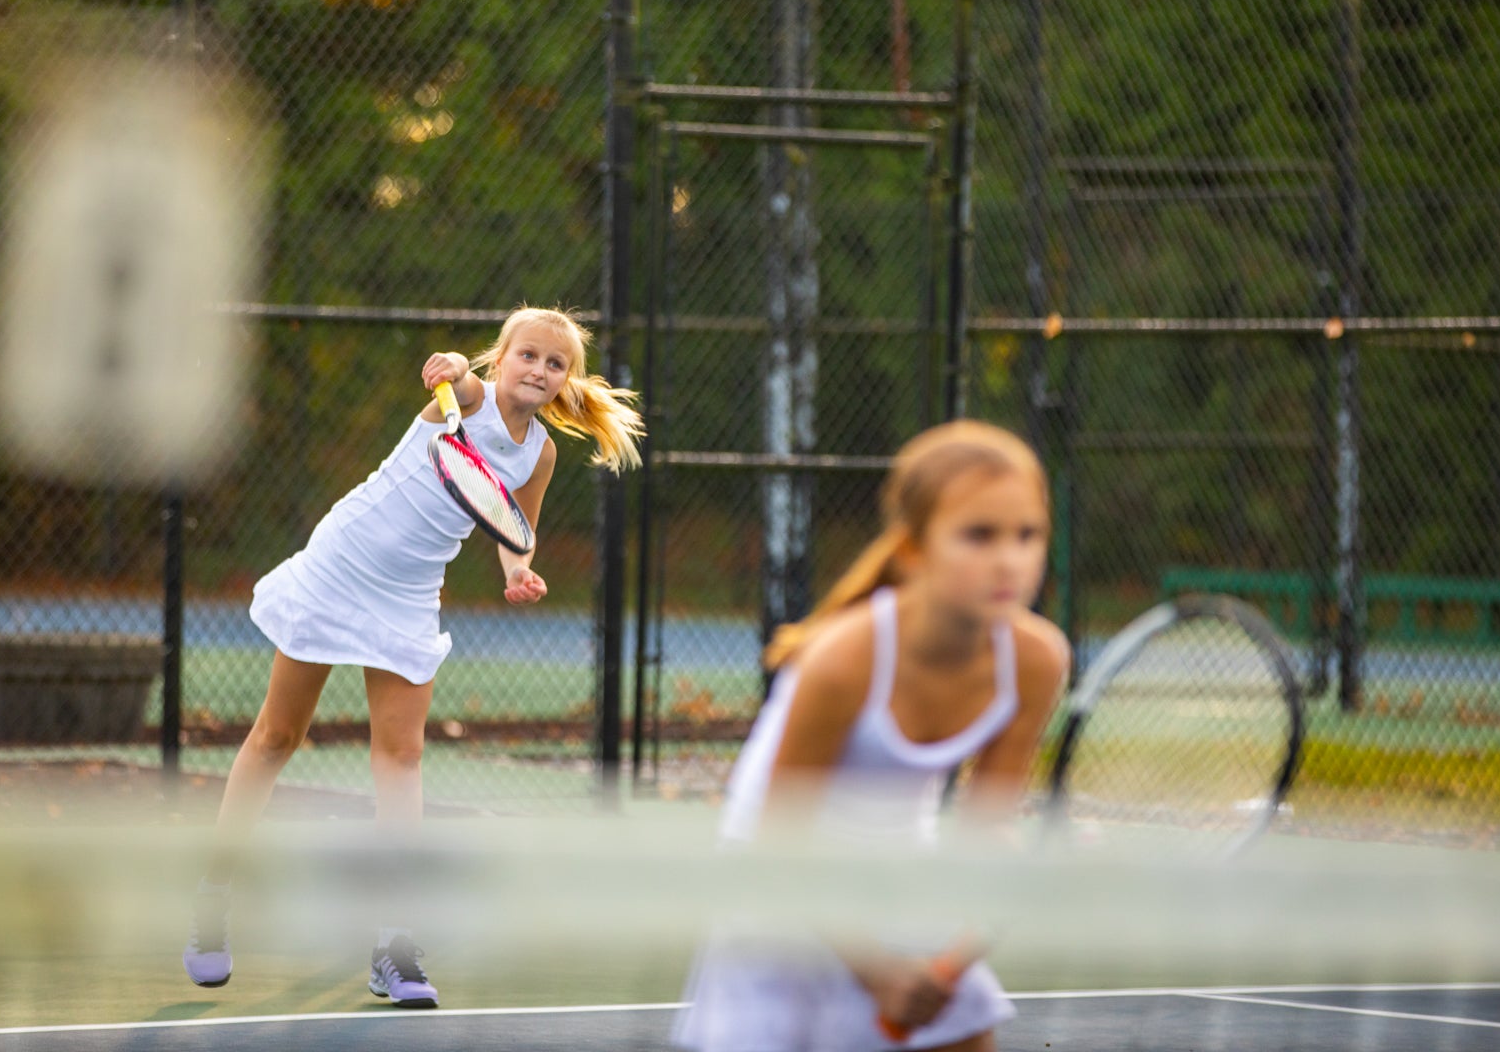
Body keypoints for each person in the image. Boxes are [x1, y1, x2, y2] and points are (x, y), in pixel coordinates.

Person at [183, 306, 644, 1002]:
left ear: (565, 380)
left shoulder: (540, 452)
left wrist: (518, 570)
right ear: (501, 357)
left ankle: (394, 942)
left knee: (401, 758)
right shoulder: (466, 397)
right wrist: (452, 368)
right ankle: (213, 897)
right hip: (340, 566)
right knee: (278, 736)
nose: (540, 371)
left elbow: (512, 523)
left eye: (556, 364)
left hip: (408, 596)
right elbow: (455, 378)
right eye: (528, 356)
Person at [673, 420, 1069, 1051]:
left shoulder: (1037, 660)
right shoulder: (842, 660)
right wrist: (878, 973)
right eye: (978, 535)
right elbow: (782, 845)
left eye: (1028, 535)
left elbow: (986, 821)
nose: (1009, 559)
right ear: (914, 549)